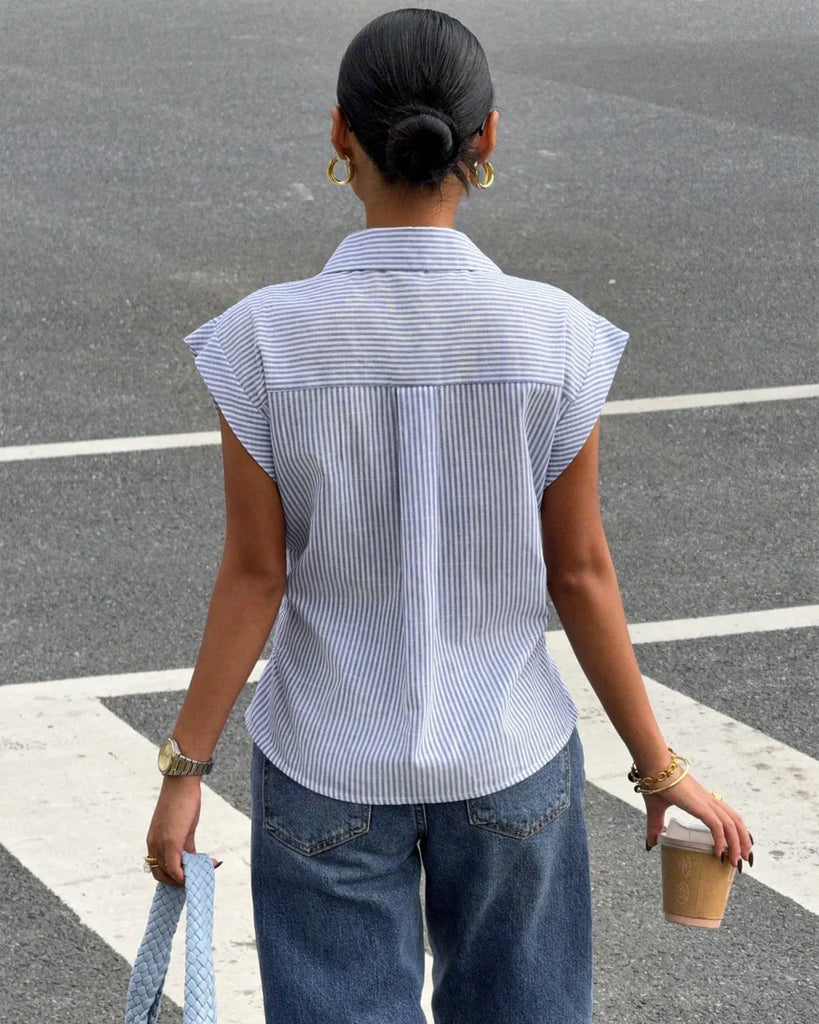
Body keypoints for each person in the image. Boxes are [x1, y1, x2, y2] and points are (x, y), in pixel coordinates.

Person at [145, 9, 753, 1023]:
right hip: (507, 753)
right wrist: (662, 770)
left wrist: (184, 772)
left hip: (326, 760)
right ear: (489, 139)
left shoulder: (260, 341)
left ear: (341, 135)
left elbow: (257, 574)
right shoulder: (555, 336)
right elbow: (581, 573)